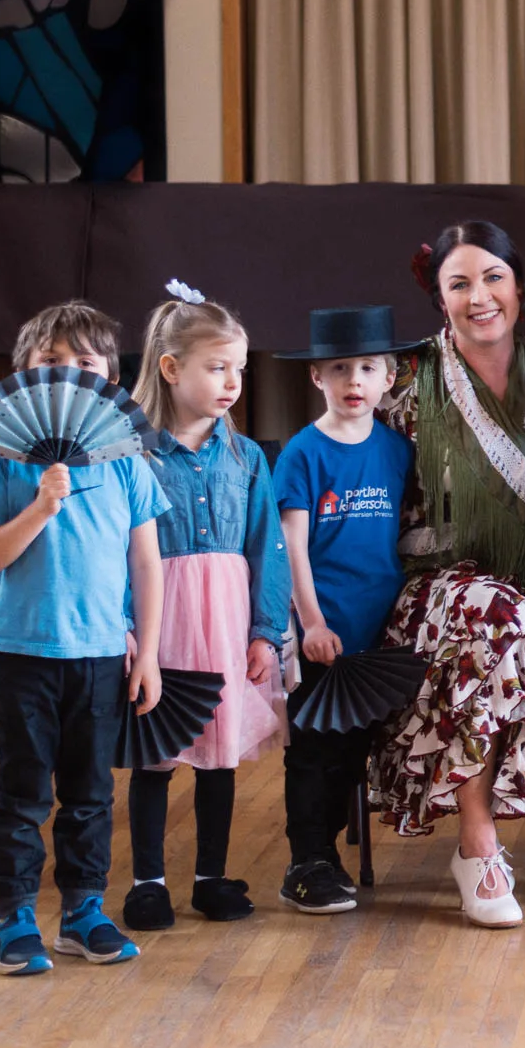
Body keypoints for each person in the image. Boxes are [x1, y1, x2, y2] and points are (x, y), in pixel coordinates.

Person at [371, 221, 525, 930]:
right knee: (495, 623)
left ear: (519, 287)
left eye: (492, 277)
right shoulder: (405, 379)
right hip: (436, 590)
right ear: (439, 297)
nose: (478, 295)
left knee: (513, 624)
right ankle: (478, 840)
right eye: (458, 282)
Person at [0, 301, 167, 973]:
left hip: (103, 653)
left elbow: (146, 562)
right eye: (52, 361)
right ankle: (13, 916)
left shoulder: (126, 460)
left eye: (85, 361)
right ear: (25, 373)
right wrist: (41, 506)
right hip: (22, 653)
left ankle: (82, 910)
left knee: (91, 792)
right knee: (23, 792)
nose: (69, 371)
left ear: (110, 375)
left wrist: (150, 649)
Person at [120, 289, 290, 933]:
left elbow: (266, 545)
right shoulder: (131, 455)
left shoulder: (247, 458)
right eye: (217, 367)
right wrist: (127, 626)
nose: (232, 382)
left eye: (239, 369)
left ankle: (211, 877)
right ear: (171, 368)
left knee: (218, 752)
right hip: (162, 619)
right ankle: (147, 882)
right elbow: (118, 547)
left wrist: (265, 631)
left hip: (224, 619)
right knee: (155, 754)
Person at [271, 305, 421, 915]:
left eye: (367, 368)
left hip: (377, 630)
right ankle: (308, 860)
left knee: (353, 750)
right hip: (322, 631)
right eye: (340, 369)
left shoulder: (394, 450)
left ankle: (328, 853)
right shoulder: (304, 454)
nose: (354, 381)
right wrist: (310, 622)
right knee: (314, 751)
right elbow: (293, 548)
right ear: (317, 378)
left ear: (390, 377)